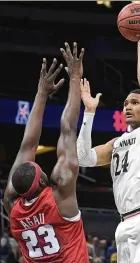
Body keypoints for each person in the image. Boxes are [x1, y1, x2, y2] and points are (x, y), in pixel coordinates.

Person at [77, 20, 140, 262]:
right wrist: (88, 113)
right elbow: (83, 157)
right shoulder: (117, 143)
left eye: (134, 103)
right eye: (125, 104)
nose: (128, 106)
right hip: (123, 225)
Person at [3, 42, 89, 263]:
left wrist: (41, 95)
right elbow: (68, 129)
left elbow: (27, 147)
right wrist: (74, 78)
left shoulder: (12, 207)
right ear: (42, 181)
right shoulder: (59, 196)